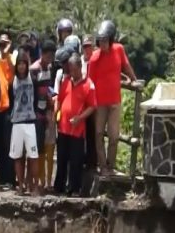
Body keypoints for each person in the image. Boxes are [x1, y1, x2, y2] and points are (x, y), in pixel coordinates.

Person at [87, 20, 140, 175]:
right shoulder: (95, 58)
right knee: (98, 133)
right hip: (100, 103)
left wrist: (134, 80)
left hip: (114, 101)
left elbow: (126, 65)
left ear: (110, 40)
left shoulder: (119, 50)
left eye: (105, 40)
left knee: (114, 136)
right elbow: (90, 83)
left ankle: (111, 166)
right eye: (100, 41)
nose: (102, 44)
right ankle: (103, 166)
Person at [55, 54, 96, 196]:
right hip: (63, 127)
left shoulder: (88, 84)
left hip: (77, 129)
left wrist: (80, 118)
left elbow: (92, 106)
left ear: (80, 67)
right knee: (61, 158)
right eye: (70, 70)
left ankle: (74, 189)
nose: (72, 73)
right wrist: (57, 114)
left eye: (74, 69)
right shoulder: (66, 81)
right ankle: (59, 187)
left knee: (75, 161)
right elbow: (59, 99)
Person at [8, 51, 40, 195]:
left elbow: (38, 97)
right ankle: (21, 186)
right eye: (19, 64)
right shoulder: (12, 81)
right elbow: (11, 100)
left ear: (27, 65)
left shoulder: (32, 79)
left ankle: (34, 186)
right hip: (17, 122)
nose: (21, 66)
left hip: (30, 121)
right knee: (18, 156)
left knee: (33, 156)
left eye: (23, 64)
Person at [31, 41, 57, 191]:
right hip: (36, 113)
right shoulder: (34, 69)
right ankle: (39, 181)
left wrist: (51, 99)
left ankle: (47, 181)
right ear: (42, 54)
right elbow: (32, 92)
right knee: (38, 148)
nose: (49, 59)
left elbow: (49, 87)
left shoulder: (49, 67)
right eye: (48, 56)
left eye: (51, 56)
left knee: (48, 146)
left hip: (47, 110)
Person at [0, 31, 16, 188]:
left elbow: (15, 74)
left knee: (9, 144)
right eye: (1, 42)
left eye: (5, 42)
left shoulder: (12, 58)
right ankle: (2, 176)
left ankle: (11, 178)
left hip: (9, 105)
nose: (3, 45)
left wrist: (8, 53)